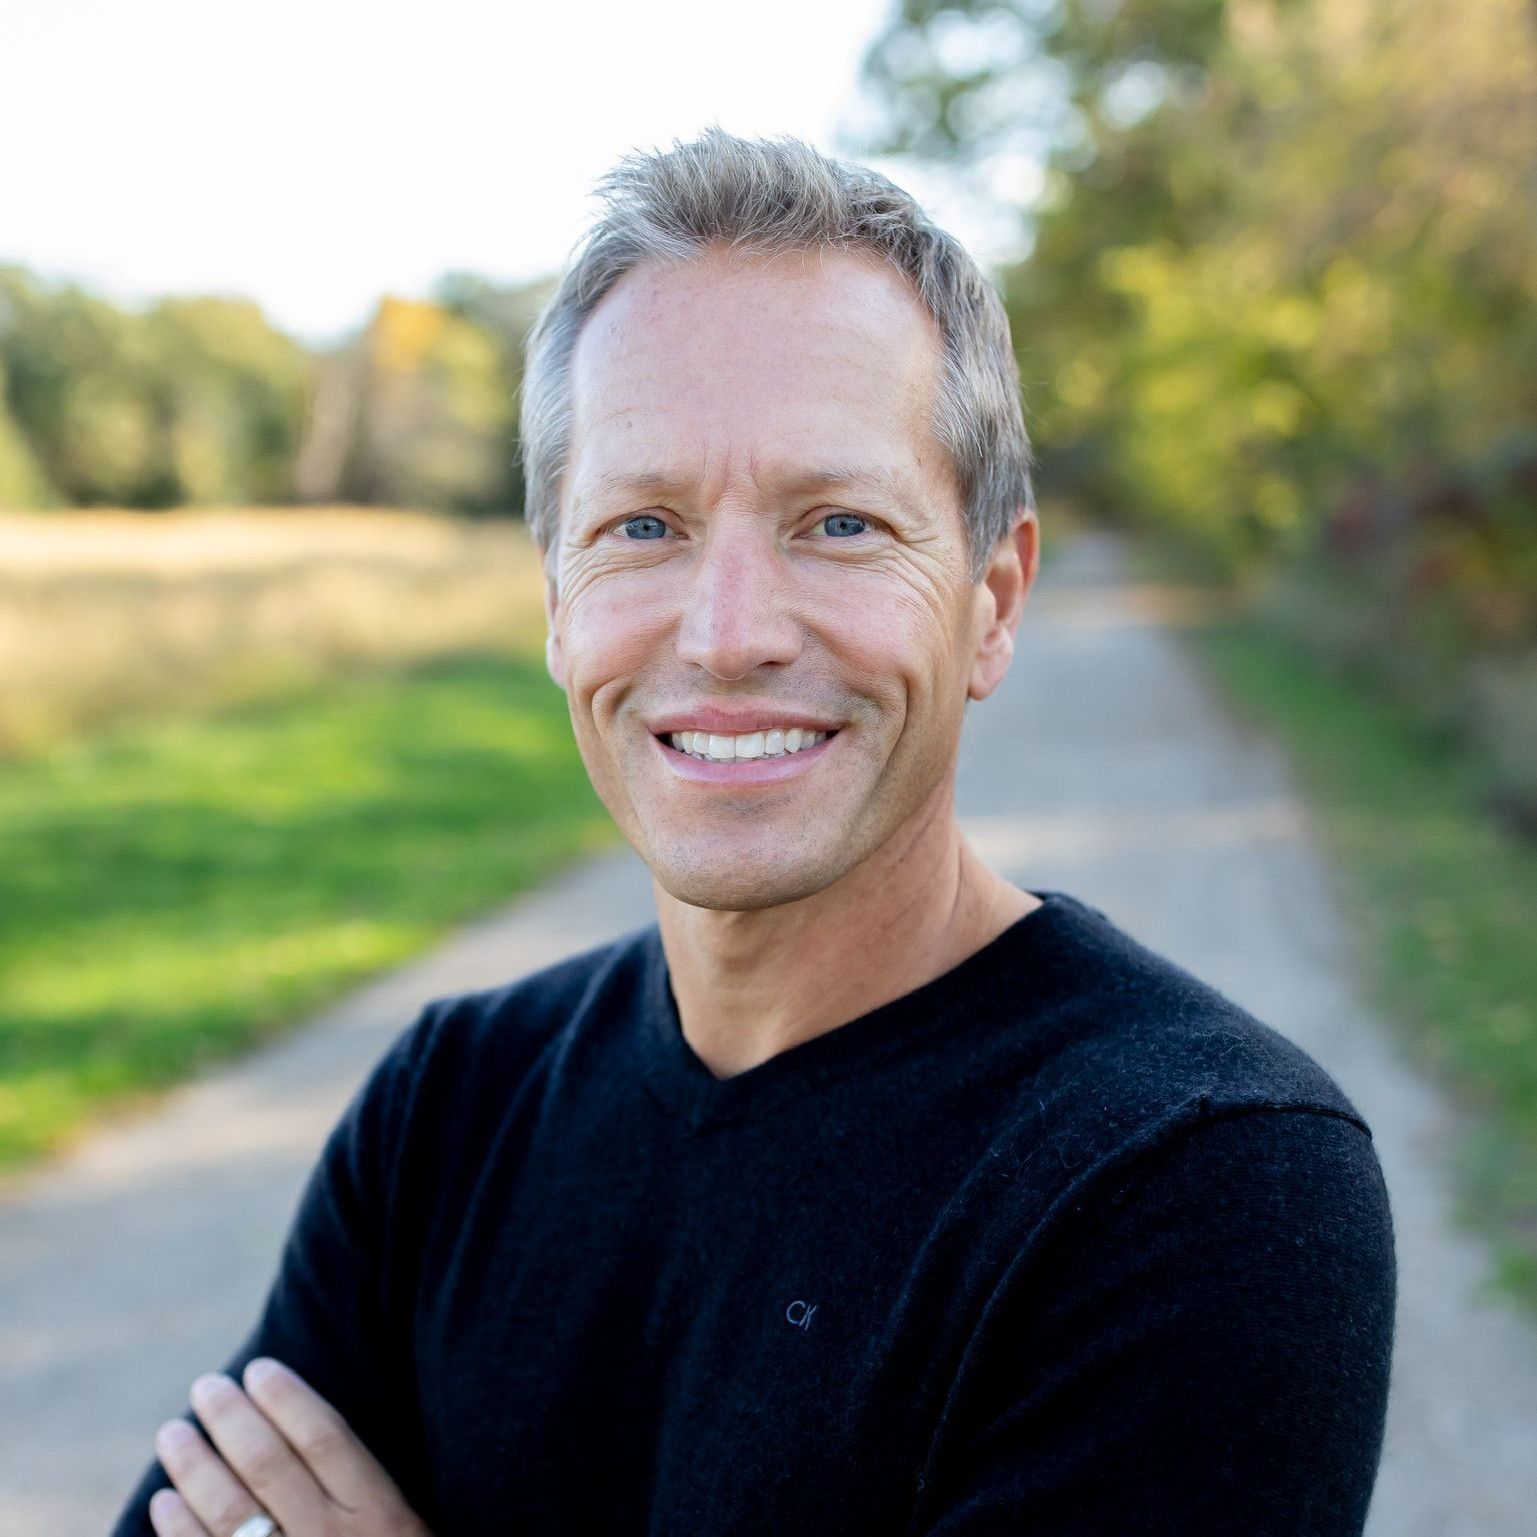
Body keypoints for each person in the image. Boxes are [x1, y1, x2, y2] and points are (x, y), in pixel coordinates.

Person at [111, 127, 1396, 1537]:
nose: (727, 637)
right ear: (554, 603)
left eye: (837, 523)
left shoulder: (1195, 1183)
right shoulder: (449, 1110)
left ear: (993, 597)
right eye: (643, 526)